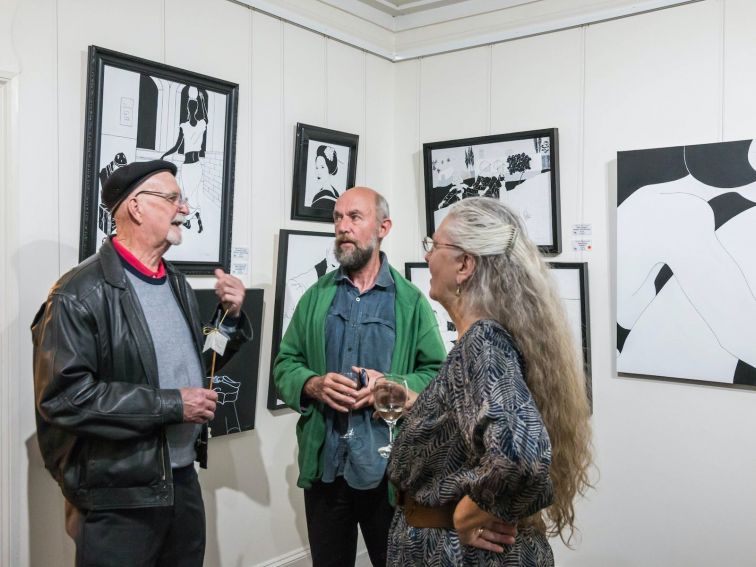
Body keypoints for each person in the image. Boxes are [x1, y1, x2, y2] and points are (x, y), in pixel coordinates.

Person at [31, 159, 251, 567]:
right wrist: (173, 404)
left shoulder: (176, 283)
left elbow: (193, 364)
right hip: (119, 499)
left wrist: (228, 319)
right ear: (136, 207)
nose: (184, 208)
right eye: (173, 198)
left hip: (181, 482)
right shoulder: (78, 293)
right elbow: (65, 398)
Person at [387, 197, 592, 566]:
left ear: (464, 264)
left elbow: (523, 456)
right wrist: (423, 407)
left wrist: (471, 511)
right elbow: (477, 433)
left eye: (434, 245)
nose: (429, 257)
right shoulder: (491, 339)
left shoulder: (483, 340)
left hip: (459, 552)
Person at [273, 187, 447, 567]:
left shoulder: (410, 302)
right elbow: (285, 363)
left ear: (383, 227)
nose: (342, 227)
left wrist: (394, 385)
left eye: (354, 217)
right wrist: (311, 383)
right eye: (337, 218)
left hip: (388, 471)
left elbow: (437, 374)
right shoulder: (316, 298)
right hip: (327, 468)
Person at [162, 85, 209, 233]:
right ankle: (196, 218)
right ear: (196, 109)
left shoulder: (185, 126)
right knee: (193, 194)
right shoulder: (201, 125)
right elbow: (206, 118)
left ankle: (189, 220)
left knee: (187, 195)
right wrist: (201, 101)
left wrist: (165, 155)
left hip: (188, 166)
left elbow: (177, 146)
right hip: (197, 166)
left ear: (188, 109)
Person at [310, 144, 341, 210]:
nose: (318, 171)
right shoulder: (334, 193)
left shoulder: (326, 195)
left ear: (330, 168)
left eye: (322, 167)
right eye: (317, 167)